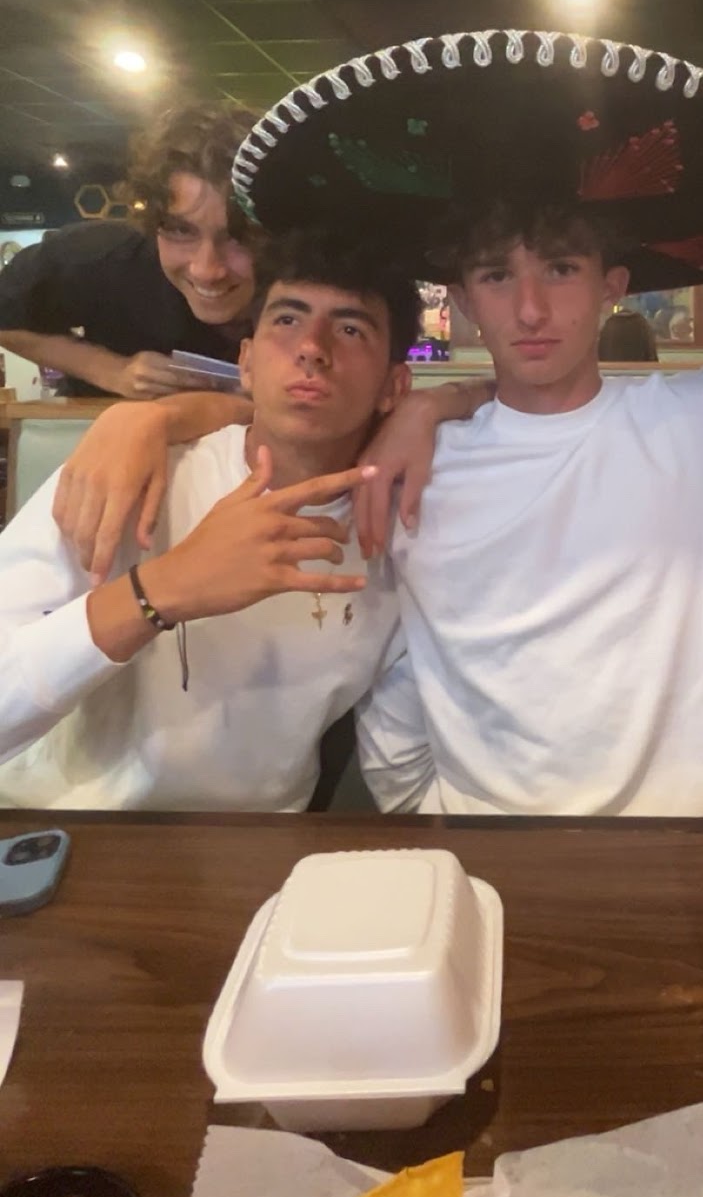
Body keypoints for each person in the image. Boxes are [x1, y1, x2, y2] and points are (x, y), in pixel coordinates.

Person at [49, 29, 703, 817]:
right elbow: (395, 656)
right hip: (481, 843)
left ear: (613, 287)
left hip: (697, 843)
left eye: (562, 270)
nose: (532, 308)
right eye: (498, 278)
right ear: (464, 300)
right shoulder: (404, 465)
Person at [0, 229, 420, 810]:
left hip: (262, 843)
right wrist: (160, 590)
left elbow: (398, 755)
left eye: (350, 330)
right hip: (72, 829)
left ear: (394, 387)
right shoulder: (131, 474)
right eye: (287, 320)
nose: (312, 348)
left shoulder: (401, 533)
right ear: (245, 362)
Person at [0, 101, 259, 397]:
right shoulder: (105, 258)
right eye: (180, 230)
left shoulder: (301, 275)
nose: (206, 271)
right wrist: (111, 370)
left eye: (239, 236)